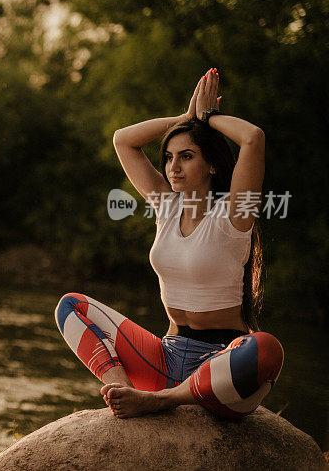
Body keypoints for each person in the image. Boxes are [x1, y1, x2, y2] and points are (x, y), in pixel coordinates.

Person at [54, 68, 284, 419]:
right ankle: (123, 392)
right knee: (71, 307)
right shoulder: (167, 204)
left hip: (220, 366)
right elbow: (123, 140)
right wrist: (184, 118)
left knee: (267, 349)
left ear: (211, 164)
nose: (173, 167)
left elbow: (253, 137)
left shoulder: (237, 212)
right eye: (169, 157)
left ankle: (165, 400)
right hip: (167, 357)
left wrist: (210, 118)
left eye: (187, 156)